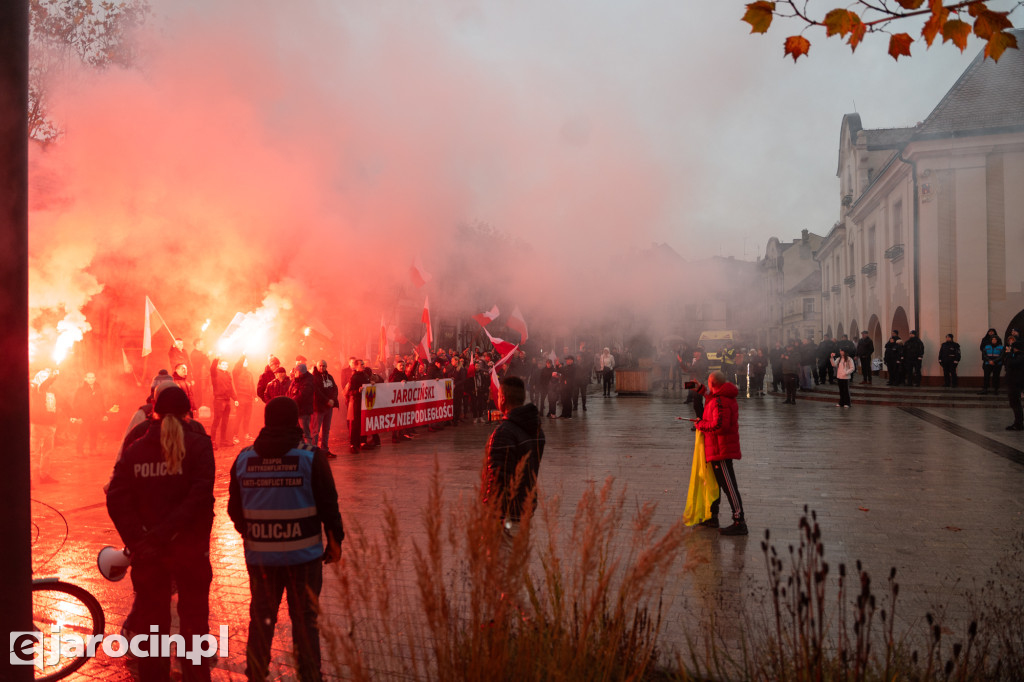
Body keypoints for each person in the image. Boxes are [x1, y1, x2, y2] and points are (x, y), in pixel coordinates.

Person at [227, 397, 344, 682]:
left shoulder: (244, 458)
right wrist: (335, 542)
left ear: (266, 421)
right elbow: (329, 504)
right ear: (294, 421)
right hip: (303, 558)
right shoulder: (310, 457)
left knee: (262, 620)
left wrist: (254, 533)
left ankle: (256, 674)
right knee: (305, 621)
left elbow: (234, 509)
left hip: (261, 558)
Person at [106, 385, 215, 682]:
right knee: (194, 627)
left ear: (152, 412)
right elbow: (200, 496)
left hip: (150, 556)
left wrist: (140, 540)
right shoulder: (199, 445)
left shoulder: (136, 448)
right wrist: (168, 534)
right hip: (190, 552)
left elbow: (116, 496)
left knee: (153, 630)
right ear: (187, 413)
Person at [480, 376, 546, 541]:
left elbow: (496, 478)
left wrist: (490, 514)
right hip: (525, 506)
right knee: (517, 561)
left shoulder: (504, 433)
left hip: (506, 515)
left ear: (502, 398)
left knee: (502, 562)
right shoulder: (535, 428)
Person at [689, 370, 747, 536]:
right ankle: (712, 517)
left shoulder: (720, 401)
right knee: (715, 486)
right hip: (716, 449)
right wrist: (700, 388)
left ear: (713, 383)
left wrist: (700, 425)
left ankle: (739, 520)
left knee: (729, 486)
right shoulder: (718, 397)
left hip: (721, 450)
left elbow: (719, 426)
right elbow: (709, 396)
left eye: (708, 382)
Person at [30, 368, 60, 484]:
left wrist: (72, 415)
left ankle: (44, 475)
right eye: (44, 376)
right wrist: (53, 376)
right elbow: (43, 385)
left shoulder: (52, 390)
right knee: (34, 452)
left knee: (47, 452)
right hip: (37, 424)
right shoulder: (35, 388)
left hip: (50, 424)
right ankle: (32, 478)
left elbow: (61, 402)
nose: (46, 378)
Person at [72, 371, 110, 455]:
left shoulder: (98, 388)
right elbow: (76, 404)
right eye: (89, 378)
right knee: (83, 433)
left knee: (94, 433)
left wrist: (104, 414)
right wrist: (78, 416)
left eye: (92, 377)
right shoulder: (81, 390)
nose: (91, 379)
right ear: (85, 379)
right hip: (84, 415)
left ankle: (93, 450)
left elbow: (101, 402)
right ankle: (79, 451)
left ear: (95, 379)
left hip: (95, 415)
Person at [311, 360, 339, 455]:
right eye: (320, 366)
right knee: (316, 431)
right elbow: (317, 392)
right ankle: (314, 451)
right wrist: (328, 400)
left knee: (326, 430)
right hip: (318, 408)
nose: (322, 368)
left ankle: (324, 449)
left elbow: (335, 388)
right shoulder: (314, 378)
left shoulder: (329, 377)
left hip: (328, 407)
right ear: (317, 366)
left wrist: (333, 399)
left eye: (323, 366)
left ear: (326, 367)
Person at [210, 357, 238, 449]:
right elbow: (212, 368)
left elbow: (230, 388)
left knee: (225, 422)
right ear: (219, 365)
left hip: (227, 400)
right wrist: (216, 359)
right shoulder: (215, 373)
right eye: (223, 364)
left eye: (226, 365)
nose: (225, 366)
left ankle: (223, 441)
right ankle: (213, 441)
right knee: (216, 421)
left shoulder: (228, 374)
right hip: (219, 400)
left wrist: (235, 399)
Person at [287, 363, 317, 446]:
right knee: (298, 433)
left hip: (303, 411)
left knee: (305, 433)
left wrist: (290, 403)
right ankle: (301, 450)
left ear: (300, 372)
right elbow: (289, 392)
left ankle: (309, 452)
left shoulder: (308, 381)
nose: (294, 372)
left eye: (295, 371)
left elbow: (301, 395)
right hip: (296, 411)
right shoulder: (296, 380)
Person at [233, 356, 257, 442]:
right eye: (245, 361)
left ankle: (246, 434)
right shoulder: (237, 372)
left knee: (247, 418)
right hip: (241, 397)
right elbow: (237, 366)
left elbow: (252, 385)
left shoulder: (249, 373)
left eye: (247, 360)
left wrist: (255, 396)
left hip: (249, 398)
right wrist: (243, 356)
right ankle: (235, 436)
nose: (246, 362)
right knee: (238, 417)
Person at [1006, 335, 1024, 431]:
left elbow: (1011, 363)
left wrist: (1009, 354)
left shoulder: (1020, 357)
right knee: (1014, 404)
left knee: (1016, 404)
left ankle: (1019, 424)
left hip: (1016, 383)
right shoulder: (1017, 356)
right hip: (1013, 382)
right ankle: (1017, 423)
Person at [981, 330, 1003, 395]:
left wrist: (994, 361)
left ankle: (996, 390)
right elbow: (984, 355)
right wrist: (989, 361)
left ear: (997, 340)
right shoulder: (987, 347)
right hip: (988, 364)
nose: (993, 340)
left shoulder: (1001, 347)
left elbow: (1001, 356)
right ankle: (985, 389)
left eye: (995, 339)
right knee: (986, 377)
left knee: (996, 377)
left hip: (997, 364)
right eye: (992, 339)